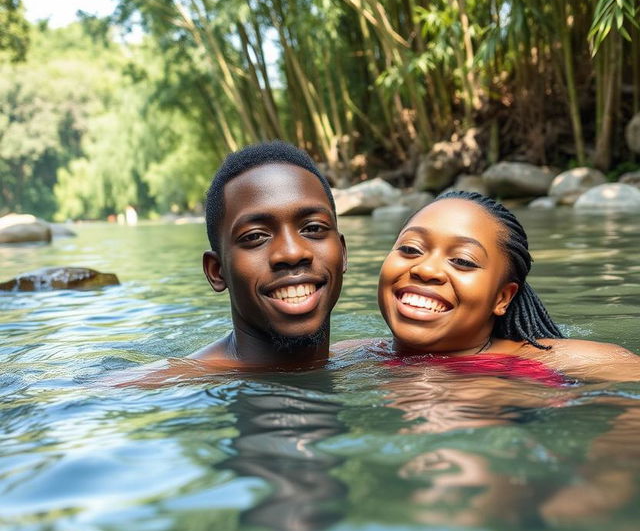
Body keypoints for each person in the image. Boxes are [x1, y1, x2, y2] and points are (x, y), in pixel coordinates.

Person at [111, 141, 347, 383]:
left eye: (313, 228)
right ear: (217, 271)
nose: (291, 253)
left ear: (342, 253)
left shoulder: (370, 357)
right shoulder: (150, 386)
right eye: (255, 236)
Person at [373, 190, 640, 383]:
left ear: (502, 297)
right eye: (410, 248)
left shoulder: (566, 360)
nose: (426, 270)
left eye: (462, 261)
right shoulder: (353, 356)